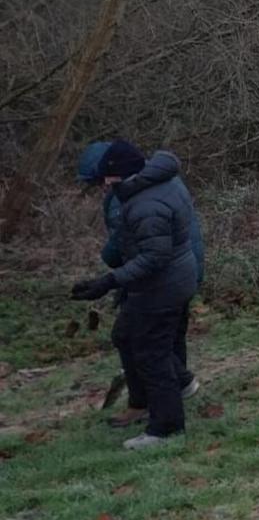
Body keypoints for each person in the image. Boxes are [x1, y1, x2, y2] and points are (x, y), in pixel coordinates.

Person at [68, 141, 199, 450]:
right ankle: (155, 399)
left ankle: (165, 429)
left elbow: (154, 258)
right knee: (127, 335)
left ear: (121, 176)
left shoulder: (145, 204)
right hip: (169, 280)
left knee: (152, 354)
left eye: (106, 179)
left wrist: (109, 281)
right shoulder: (160, 183)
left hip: (163, 287)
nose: (104, 185)